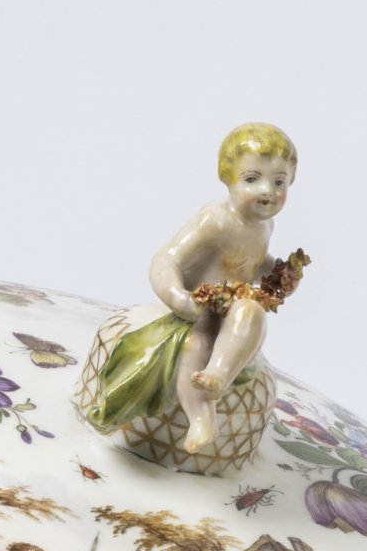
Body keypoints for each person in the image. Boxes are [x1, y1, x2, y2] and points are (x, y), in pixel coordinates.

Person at [82, 124, 306, 456]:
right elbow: (167, 259)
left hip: (233, 312)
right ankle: (202, 418)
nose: (267, 191)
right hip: (198, 312)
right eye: (252, 179)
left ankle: (219, 373)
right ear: (228, 178)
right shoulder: (214, 220)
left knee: (252, 311)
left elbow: (255, 262)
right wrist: (177, 297)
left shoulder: (265, 226)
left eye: (279, 182)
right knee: (194, 346)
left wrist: (280, 275)